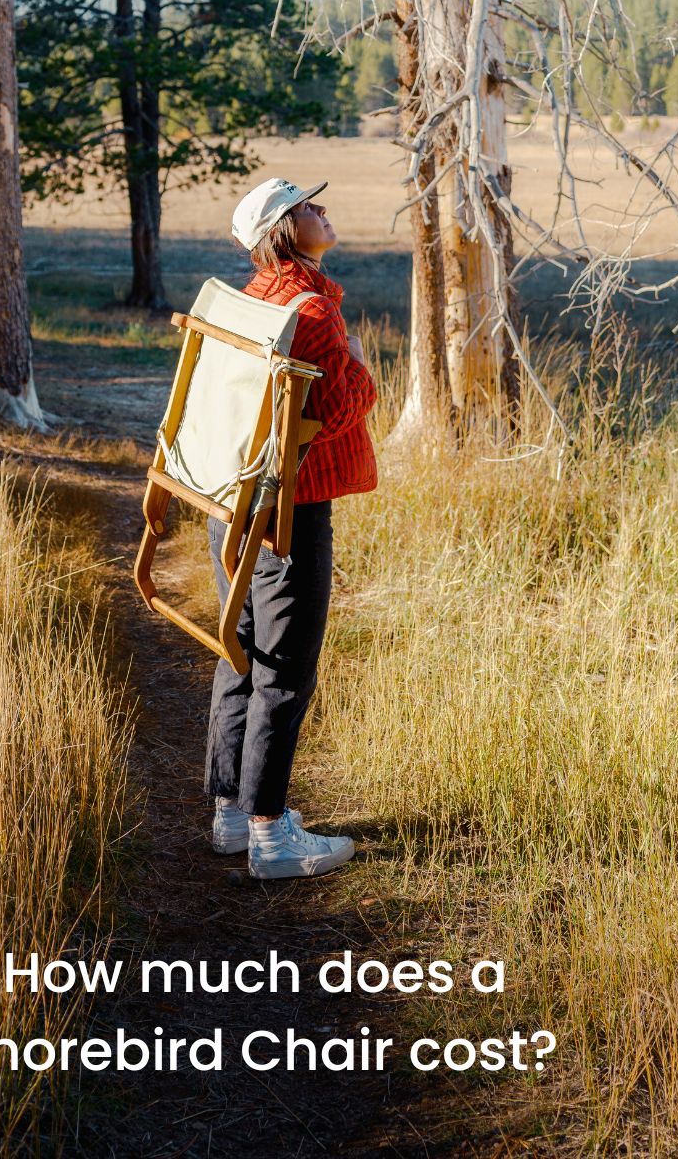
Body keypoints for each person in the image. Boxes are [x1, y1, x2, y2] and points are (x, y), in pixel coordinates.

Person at [205, 176, 378, 879]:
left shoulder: (254, 301)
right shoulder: (311, 309)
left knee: (240, 654)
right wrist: (362, 365)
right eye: (308, 207)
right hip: (292, 509)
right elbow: (341, 407)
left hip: (237, 503)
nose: (324, 211)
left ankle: (230, 811)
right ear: (283, 232)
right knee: (285, 669)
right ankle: (271, 834)